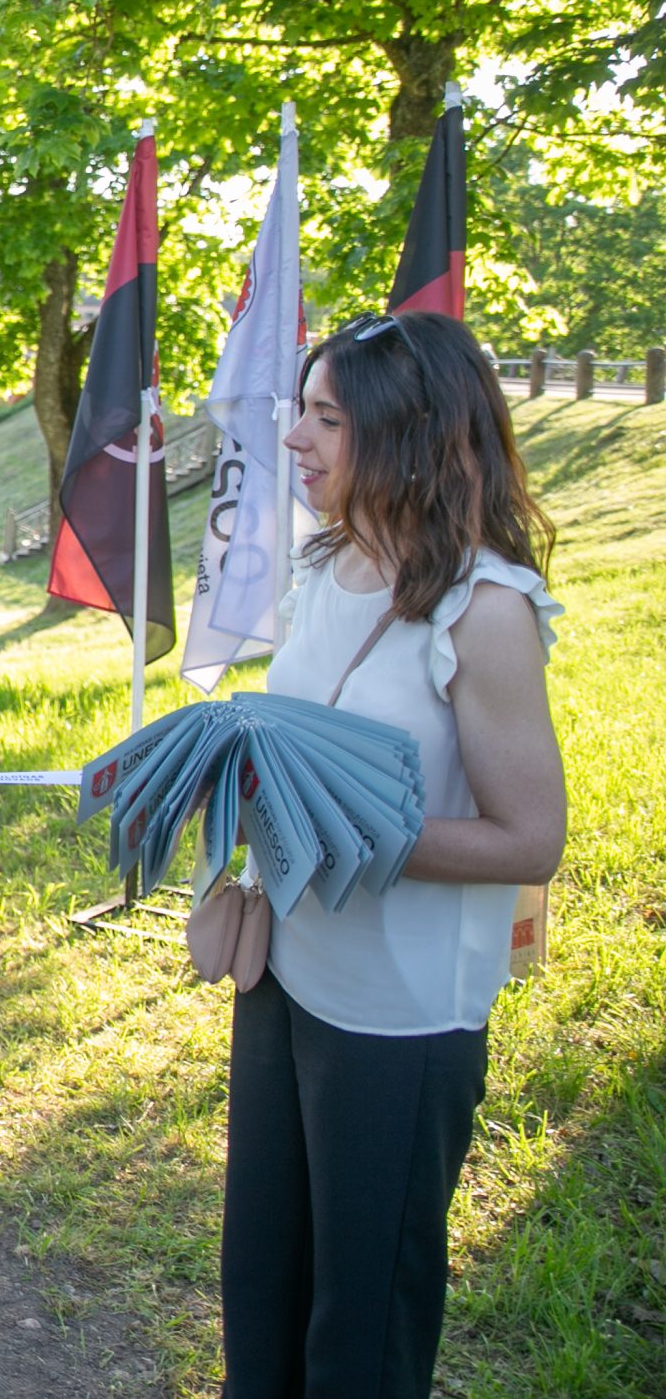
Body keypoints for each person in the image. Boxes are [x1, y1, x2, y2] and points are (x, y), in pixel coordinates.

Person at [225, 309, 565, 1398]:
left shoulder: (485, 607)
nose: (296, 438)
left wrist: (347, 827)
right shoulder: (327, 563)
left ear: (407, 432)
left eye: (326, 418)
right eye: (302, 412)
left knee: (362, 1321)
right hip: (284, 973)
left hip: (397, 1014)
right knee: (262, 1286)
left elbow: (532, 838)